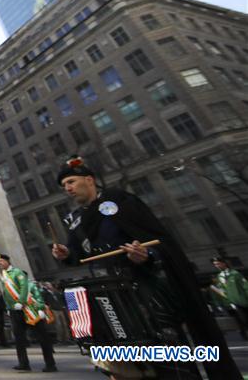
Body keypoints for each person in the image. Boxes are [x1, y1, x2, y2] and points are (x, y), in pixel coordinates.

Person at [51, 156, 240, 379]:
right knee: (124, 364)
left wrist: (146, 255)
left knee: (168, 359)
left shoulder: (121, 201)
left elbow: (158, 241)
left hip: (145, 292)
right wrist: (66, 254)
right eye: (64, 186)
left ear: (89, 180)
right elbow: (80, 254)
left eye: (71, 182)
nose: (68, 188)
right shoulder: (76, 220)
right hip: (110, 297)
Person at [0, 254, 56, 372]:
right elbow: (6, 294)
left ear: (8, 261)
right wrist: (9, 307)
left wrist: (22, 302)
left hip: (29, 309)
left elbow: (25, 289)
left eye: (2, 261)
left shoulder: (17, 273)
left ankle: (50, 364)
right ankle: (23, 363)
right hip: (15, 310)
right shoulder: (4, 276)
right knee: (19, 338)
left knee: (42, 337)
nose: (0, 263)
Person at [211, 255, 248, 339]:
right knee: (239, 320)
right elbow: (222, 290)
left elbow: (245, 286)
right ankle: (244, 335)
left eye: (218, 264)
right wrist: (221, 303)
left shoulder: (235, 274)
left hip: (242, 301)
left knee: (245, 319)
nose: (217, 266)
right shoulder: (219, 276)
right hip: (231, 303)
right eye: (215, 264)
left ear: (224, 264)